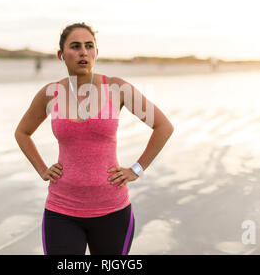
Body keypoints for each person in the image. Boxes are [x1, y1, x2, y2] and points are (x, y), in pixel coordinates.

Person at [14, 22, 174, 255]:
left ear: (96, 53)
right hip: (61, 211)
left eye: (89, 46)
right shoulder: (51, 93)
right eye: (75, 46)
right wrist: (41, 169)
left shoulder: (117, 89)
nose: (83, 52)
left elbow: (163, 126)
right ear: (61, 55)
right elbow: (22, 132)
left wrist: (136, 169)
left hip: (113, 210)